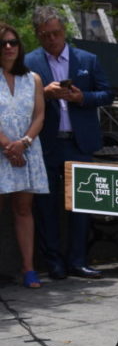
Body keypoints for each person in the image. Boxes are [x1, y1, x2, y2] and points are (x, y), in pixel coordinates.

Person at [26, 6, 113, 280]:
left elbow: (108, 94)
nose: (52, 39)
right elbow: (16, 101)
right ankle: (54, 262)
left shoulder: (87, 58)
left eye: (56, 33)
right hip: (46, 143)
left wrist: (81, 98)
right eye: (45, 35)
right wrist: (44, 93)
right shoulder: (29, 63)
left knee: (82, 204)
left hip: (80, 142)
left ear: (64, 31)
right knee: (46, 206)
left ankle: (78, 260)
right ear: (38, 36)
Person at [0, 23, 47, 288]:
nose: (9, 47)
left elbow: (39, 115)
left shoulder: (33, 78)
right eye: (3, 43)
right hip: (2, 150)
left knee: (23, 208)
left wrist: (24, 142)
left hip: (27, 149)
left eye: (13, 42)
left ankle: (29, 269)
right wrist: (8, 145)